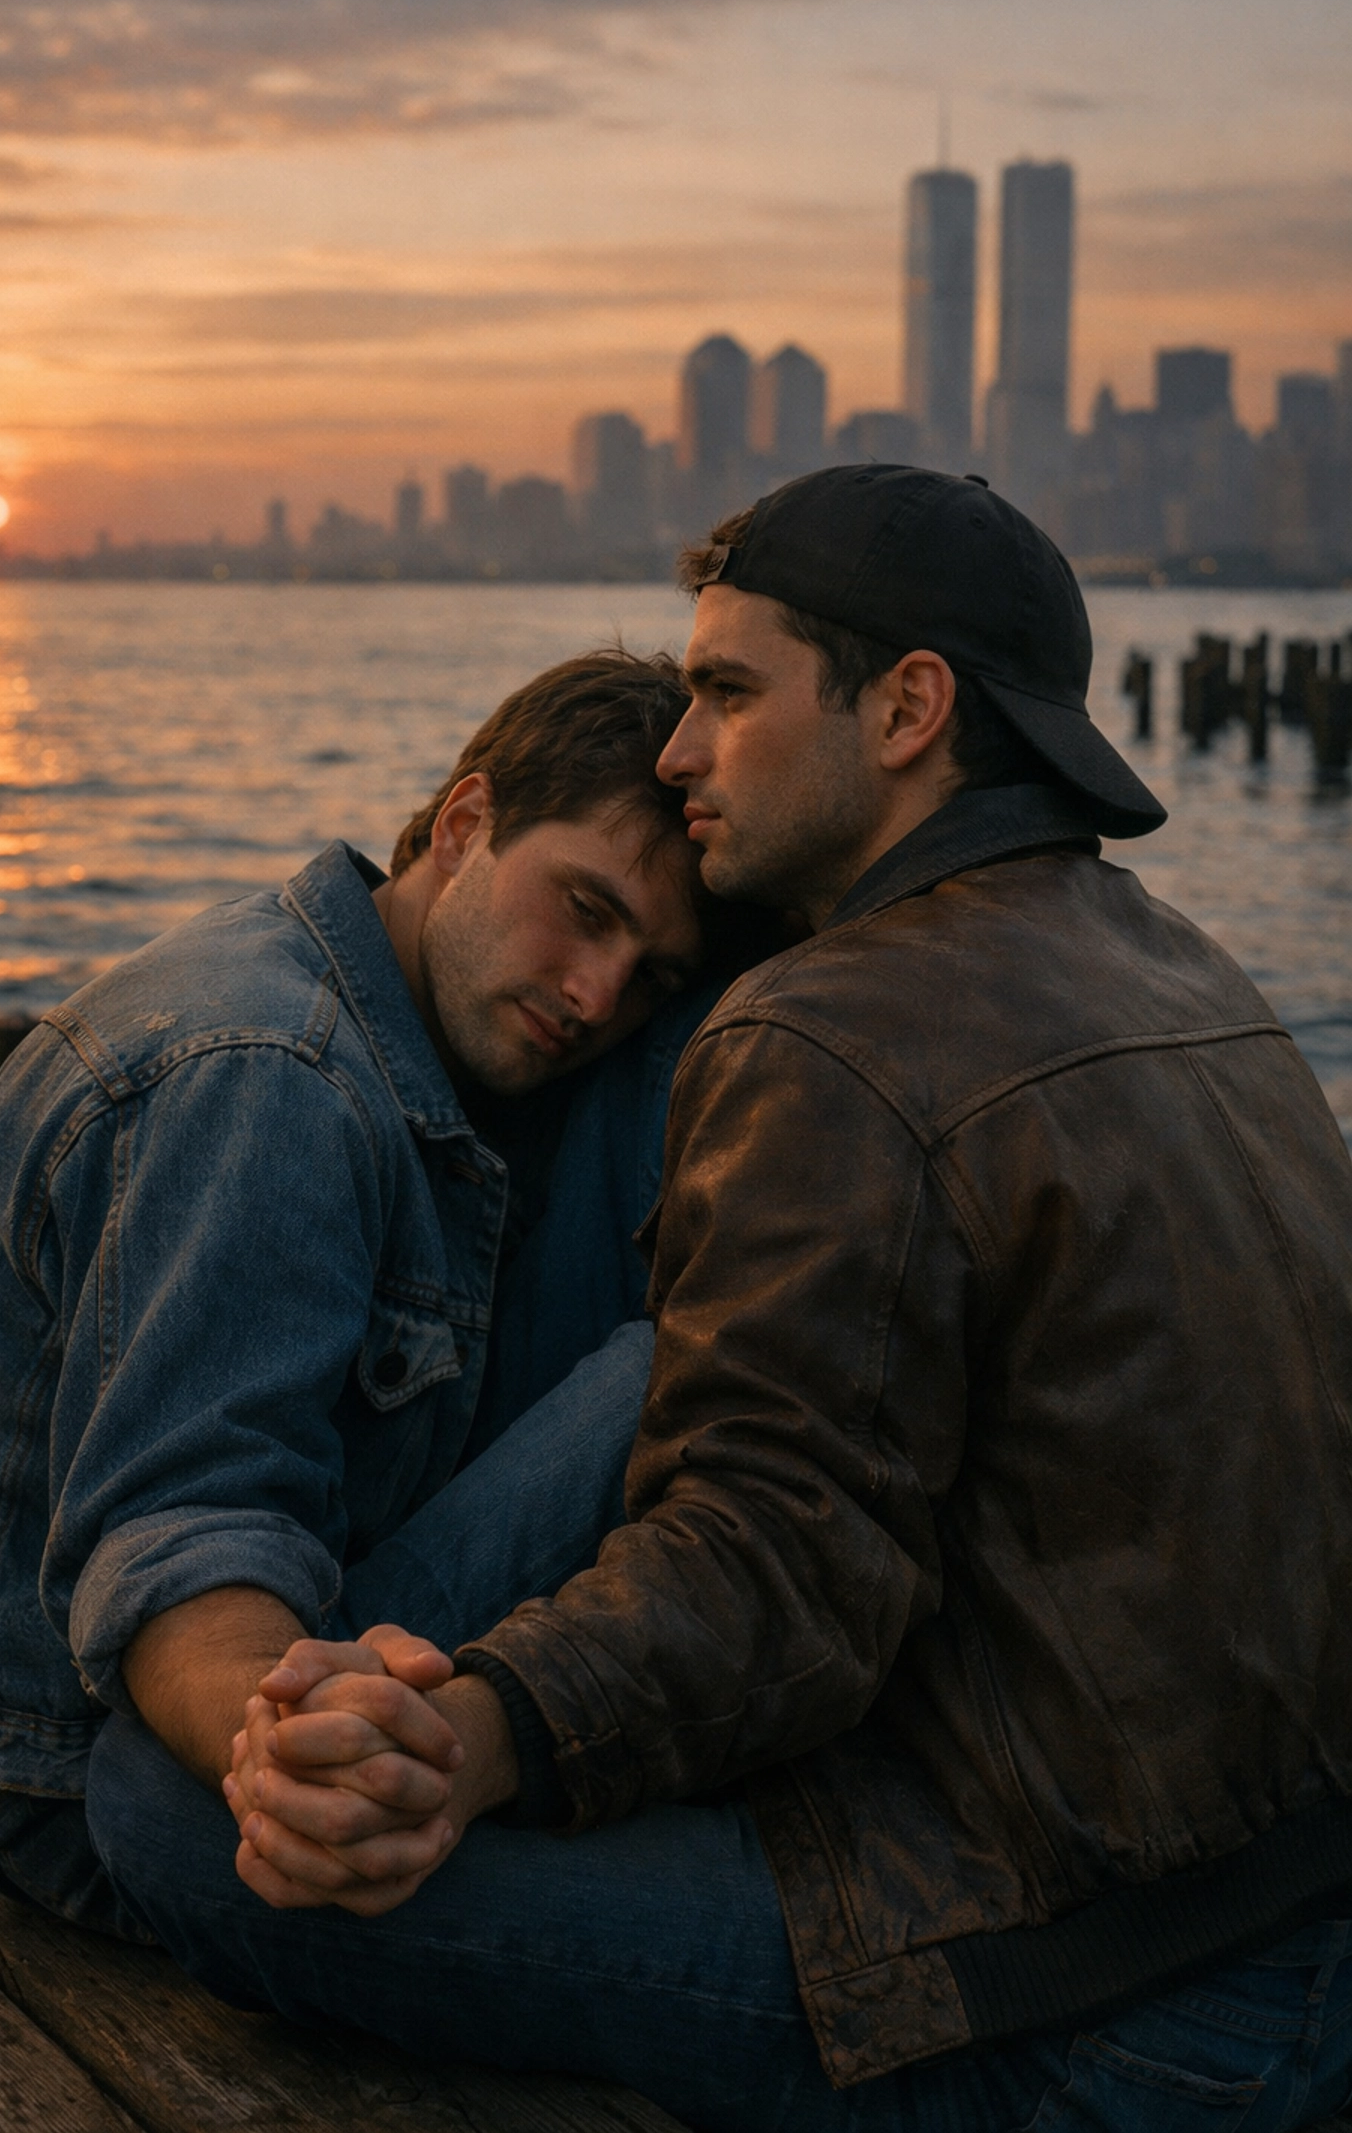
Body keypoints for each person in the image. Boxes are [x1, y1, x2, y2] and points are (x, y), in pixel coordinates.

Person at [90, 468, 1352, 2132]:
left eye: (729, 694)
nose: (678, 751)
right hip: (1288, 1902)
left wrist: (472, 1733)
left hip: (1080, 1995)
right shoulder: (1188, 971)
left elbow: (780, 1572)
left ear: (908, 709)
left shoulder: (839, 1032)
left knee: (162, 1808)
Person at [0, 647, 738, 1937]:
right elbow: (187, 1523)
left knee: (684, 1077)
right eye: (585, 909)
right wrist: (280, 1746)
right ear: (466, 820)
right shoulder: (271, 1076)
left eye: (644, 963)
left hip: (134, 1681)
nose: (595, 993)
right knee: (694, 1358)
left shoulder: (363, 992)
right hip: (70, 1775)